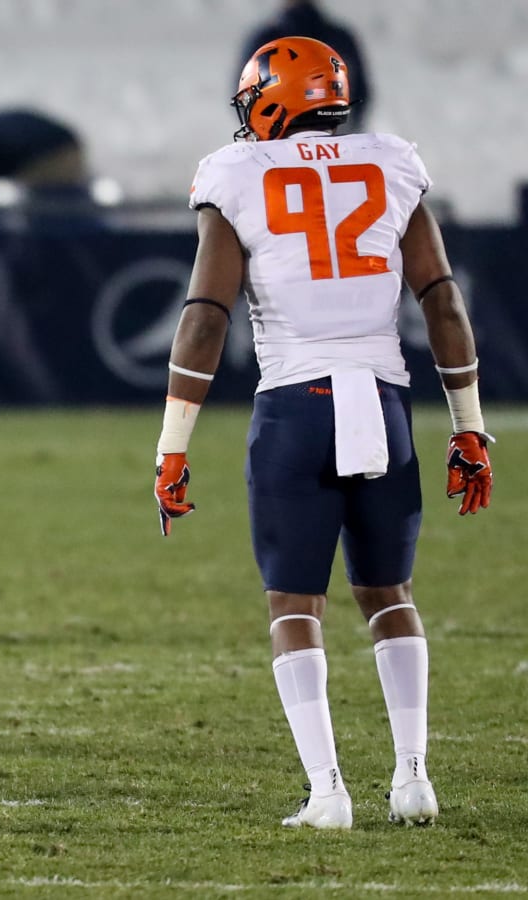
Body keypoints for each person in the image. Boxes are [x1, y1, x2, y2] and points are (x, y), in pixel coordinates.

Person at [153, 37, 492, 830]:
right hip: (385, 402)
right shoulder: (391, 162)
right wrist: (470, 430)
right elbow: (443, 306)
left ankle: (329, 792)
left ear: (273, 98)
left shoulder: (235, 174)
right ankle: (413, 779)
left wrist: (172, 445)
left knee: (294, 604)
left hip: (295, 405)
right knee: (389, 595)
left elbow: (206, 316)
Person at [238, 0, 371, 132]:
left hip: (278, 139)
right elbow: (361, 94)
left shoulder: (264, 40)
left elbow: (244, 97)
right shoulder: (341, 39)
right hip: (335, 138)